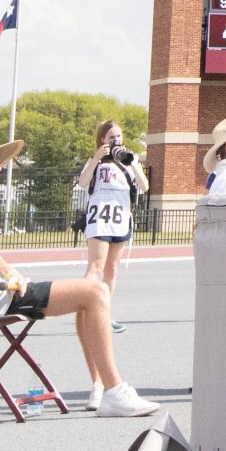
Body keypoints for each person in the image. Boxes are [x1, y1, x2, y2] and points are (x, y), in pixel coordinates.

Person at [0, 129, 159, 418]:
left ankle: (107, 388)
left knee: (92, 293)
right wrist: (12, 274)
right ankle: (115, 392)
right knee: (96, 291)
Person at [75, 119, 150, 332]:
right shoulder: (96, 161)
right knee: (95, 266)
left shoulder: (130, 160)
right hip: (100, 219)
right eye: (111, 137)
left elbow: (144, 187)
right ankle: (85, 313)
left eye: (118, 136)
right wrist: (97, 157)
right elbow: (82, 182)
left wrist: (133, 163)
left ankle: (104, 314)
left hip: (120, 220)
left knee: (112, 268)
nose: (116, 140)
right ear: (102, 140)